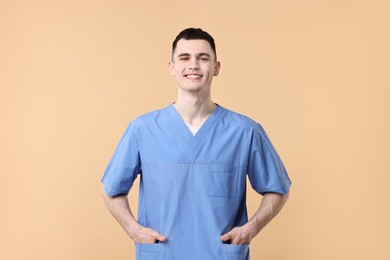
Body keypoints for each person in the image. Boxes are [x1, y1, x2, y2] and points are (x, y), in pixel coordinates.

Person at [101, 28, 291, 260]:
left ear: (216, 67)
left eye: (203, 58)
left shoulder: (244, 131)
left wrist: (251, 228)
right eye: (184, 58)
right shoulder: (142, 130)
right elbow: (111, 190)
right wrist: (133, 229)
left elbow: (278, 189)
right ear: (171, 68)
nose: (193, 65)